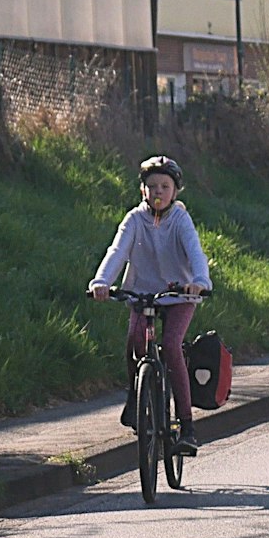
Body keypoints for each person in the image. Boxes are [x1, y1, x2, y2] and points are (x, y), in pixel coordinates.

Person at [90, 156, 212, 455]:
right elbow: (117, 251)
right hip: (142, 293)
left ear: (175, 191)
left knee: (171, 345)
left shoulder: (181, 220)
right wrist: (101, 281)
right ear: (143, 190)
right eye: (152, 186)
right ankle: (135, 396)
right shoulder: (134, 219)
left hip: (179, 294)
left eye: (165, 186)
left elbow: (195, 252)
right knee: (135, 341)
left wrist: (199, 280)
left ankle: (187, 426)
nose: (158, 191)